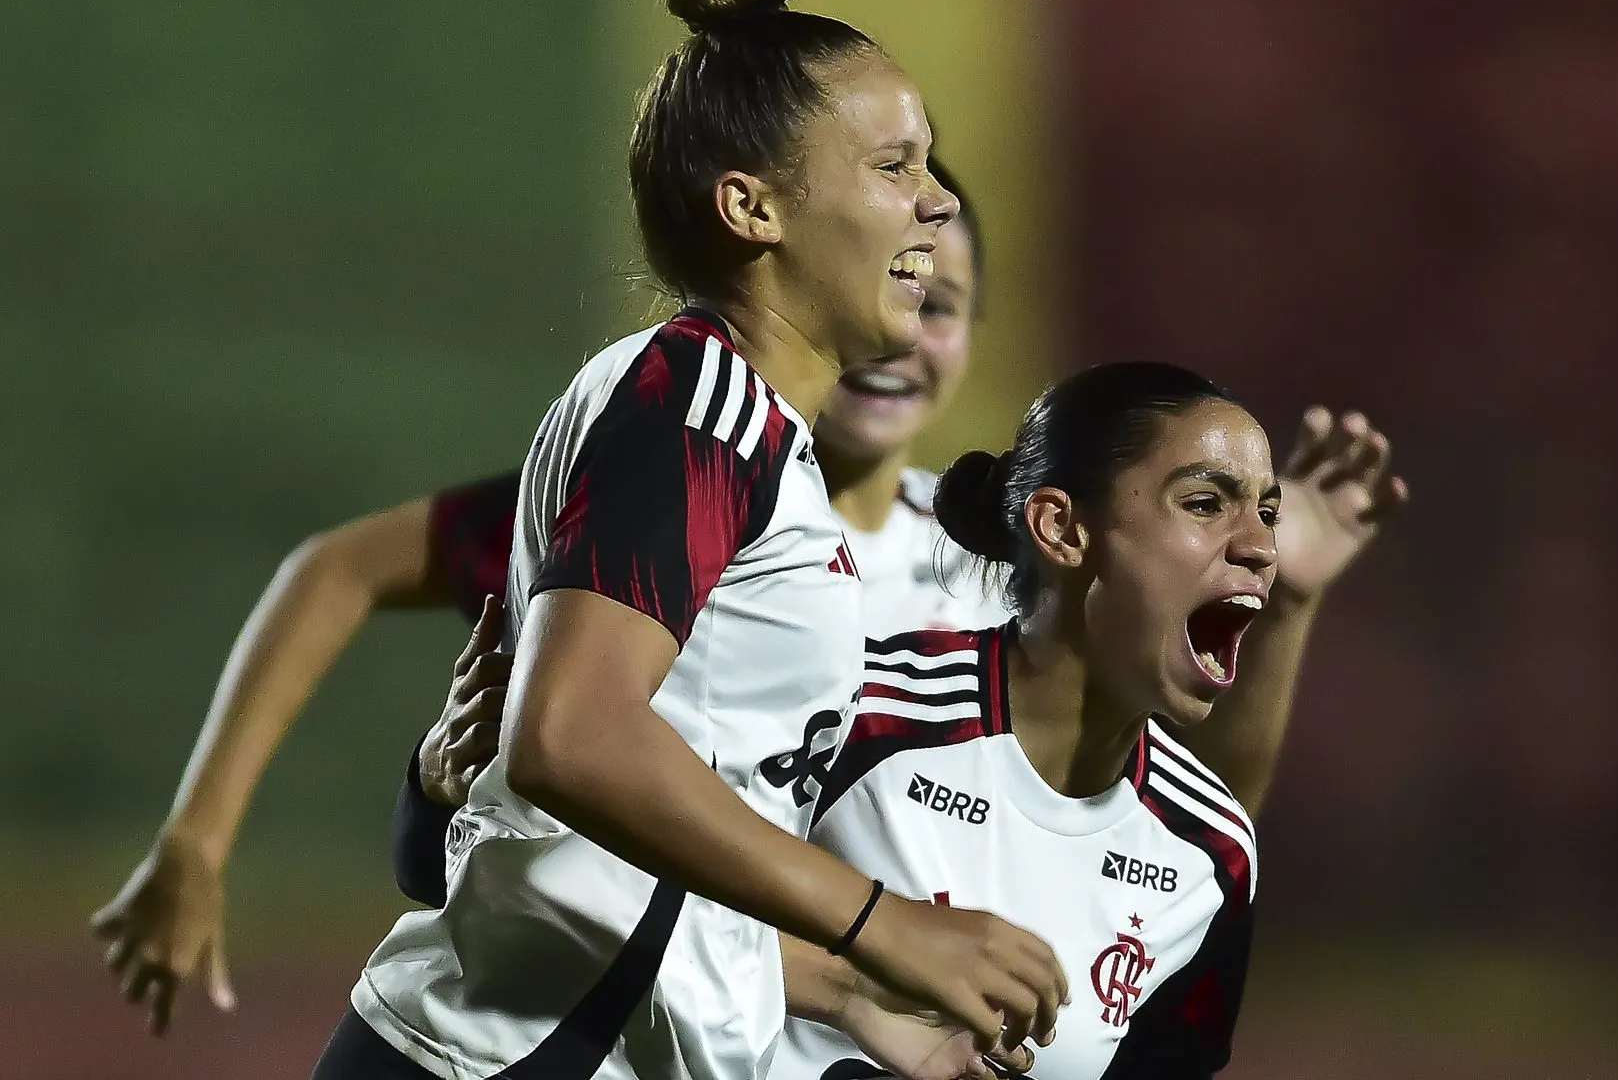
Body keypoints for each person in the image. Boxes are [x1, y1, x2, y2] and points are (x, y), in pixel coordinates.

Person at [90, 152, 1404, 1040]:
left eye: (946, 305)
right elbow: (410, 663)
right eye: (901, 281)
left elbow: (1165, 809)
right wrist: (298, 820)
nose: (912, 325)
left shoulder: (995, 567)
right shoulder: (672, 481)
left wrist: (1278, 606)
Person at [300, 0, 1068, 1077]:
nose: (937, 201)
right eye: (895, 166)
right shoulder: (697, 400)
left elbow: (620, 852)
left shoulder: (740, 428)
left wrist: (846, 987)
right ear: (754, 207)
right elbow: (571, 737)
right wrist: (882, 920)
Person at [403, 362, 1316, 1079]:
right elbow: (553, 878)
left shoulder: (1212, 854)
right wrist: (435, 798)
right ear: (1062, 530)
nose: (1260, 546)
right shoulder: (861, 709)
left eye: (1267, 512)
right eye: (1205, 503)